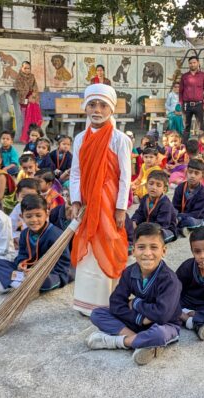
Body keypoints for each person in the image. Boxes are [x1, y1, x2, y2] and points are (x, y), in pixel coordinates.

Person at [69, 84, 133, 316]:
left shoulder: (120, 139)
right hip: (87, 199)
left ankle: (108, 300)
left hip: (109, 200)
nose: (97, 109)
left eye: (103, 105)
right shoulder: (79, 139)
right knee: (88, 242)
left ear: (111, 109)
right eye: (92, 104)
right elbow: (75, 172)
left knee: (108, 240)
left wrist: (120, 208)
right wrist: (75, 200)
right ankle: (86, 302)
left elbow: (126, 176)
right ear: (85, 107)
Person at [86, 222, 182, 365]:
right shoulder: (129, 272)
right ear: (133, 250)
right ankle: (140, 342)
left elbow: (162, 315)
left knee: (159, 334)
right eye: (141, 247)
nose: (147, 253)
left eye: (154, 247)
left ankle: (117, 342)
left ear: (164, 251)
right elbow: (116, 304)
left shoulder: (169, 279)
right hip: (136, 322)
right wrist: (140, 319)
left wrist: (136, 303)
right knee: (97, 314)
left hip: (165, 325)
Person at [0, 194, 73, 293]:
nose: (34, 220)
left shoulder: (56, 234)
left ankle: (16, 282)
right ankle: (22, 284)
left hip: (48, 274)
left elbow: (63, 265)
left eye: (38, 215)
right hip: (28, 272)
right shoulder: (24, 234)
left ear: (46, 215)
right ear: (22, 217)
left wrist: (38, 272)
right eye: (29, 216)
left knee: (47, 281)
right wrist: (21, 264)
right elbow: (22, 255)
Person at [131, 170, 177, 243]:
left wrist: (144, 227)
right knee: (128, 223)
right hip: (147, 227)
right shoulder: (145, 198)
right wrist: (134, 221)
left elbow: (163, 224)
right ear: (146, 186)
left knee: (159, 236)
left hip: (163, 229)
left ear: (164, 189)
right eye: (151, 184)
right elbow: (139, 213)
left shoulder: (165, 203)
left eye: (158, 185)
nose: (153, 187)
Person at [172, 159, 204, 237]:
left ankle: (179, 227)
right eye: (190, 172)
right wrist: (173, 215)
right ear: (186, 172)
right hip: (179, 216)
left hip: (195, 218)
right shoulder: (180, 187)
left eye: (196, 173)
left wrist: (179, 217)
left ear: (202, 175)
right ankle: (182, 229)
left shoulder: (203, 193)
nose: (192, 175)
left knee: (190, 222)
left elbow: (196, 214)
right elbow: (174, 206)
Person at [179, 56, 204, 141]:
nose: (192, 64)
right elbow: (180, 91)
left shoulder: (203, 76)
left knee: (201, 128)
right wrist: (181, 103)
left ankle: (202, 148)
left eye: (194, 62)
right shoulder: (184, 76)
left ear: (198, 63)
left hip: (199, 105)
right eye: (190, 63)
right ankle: (184, 146)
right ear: (188, 64)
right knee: (186, 127)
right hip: (186, 105)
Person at [14, 61, 42, 144]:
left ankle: (35, 136)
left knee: (34, 105)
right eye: (25, 68)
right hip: (23, 100)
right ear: (21, 68)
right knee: (29, 109)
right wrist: (27, 95)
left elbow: (35, 88)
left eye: (28, 68)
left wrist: (33, 95)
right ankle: (27, 137)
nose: (27, 70)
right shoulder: (18, 77)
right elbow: (18, 89)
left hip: (32, 99)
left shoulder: (32, 77)